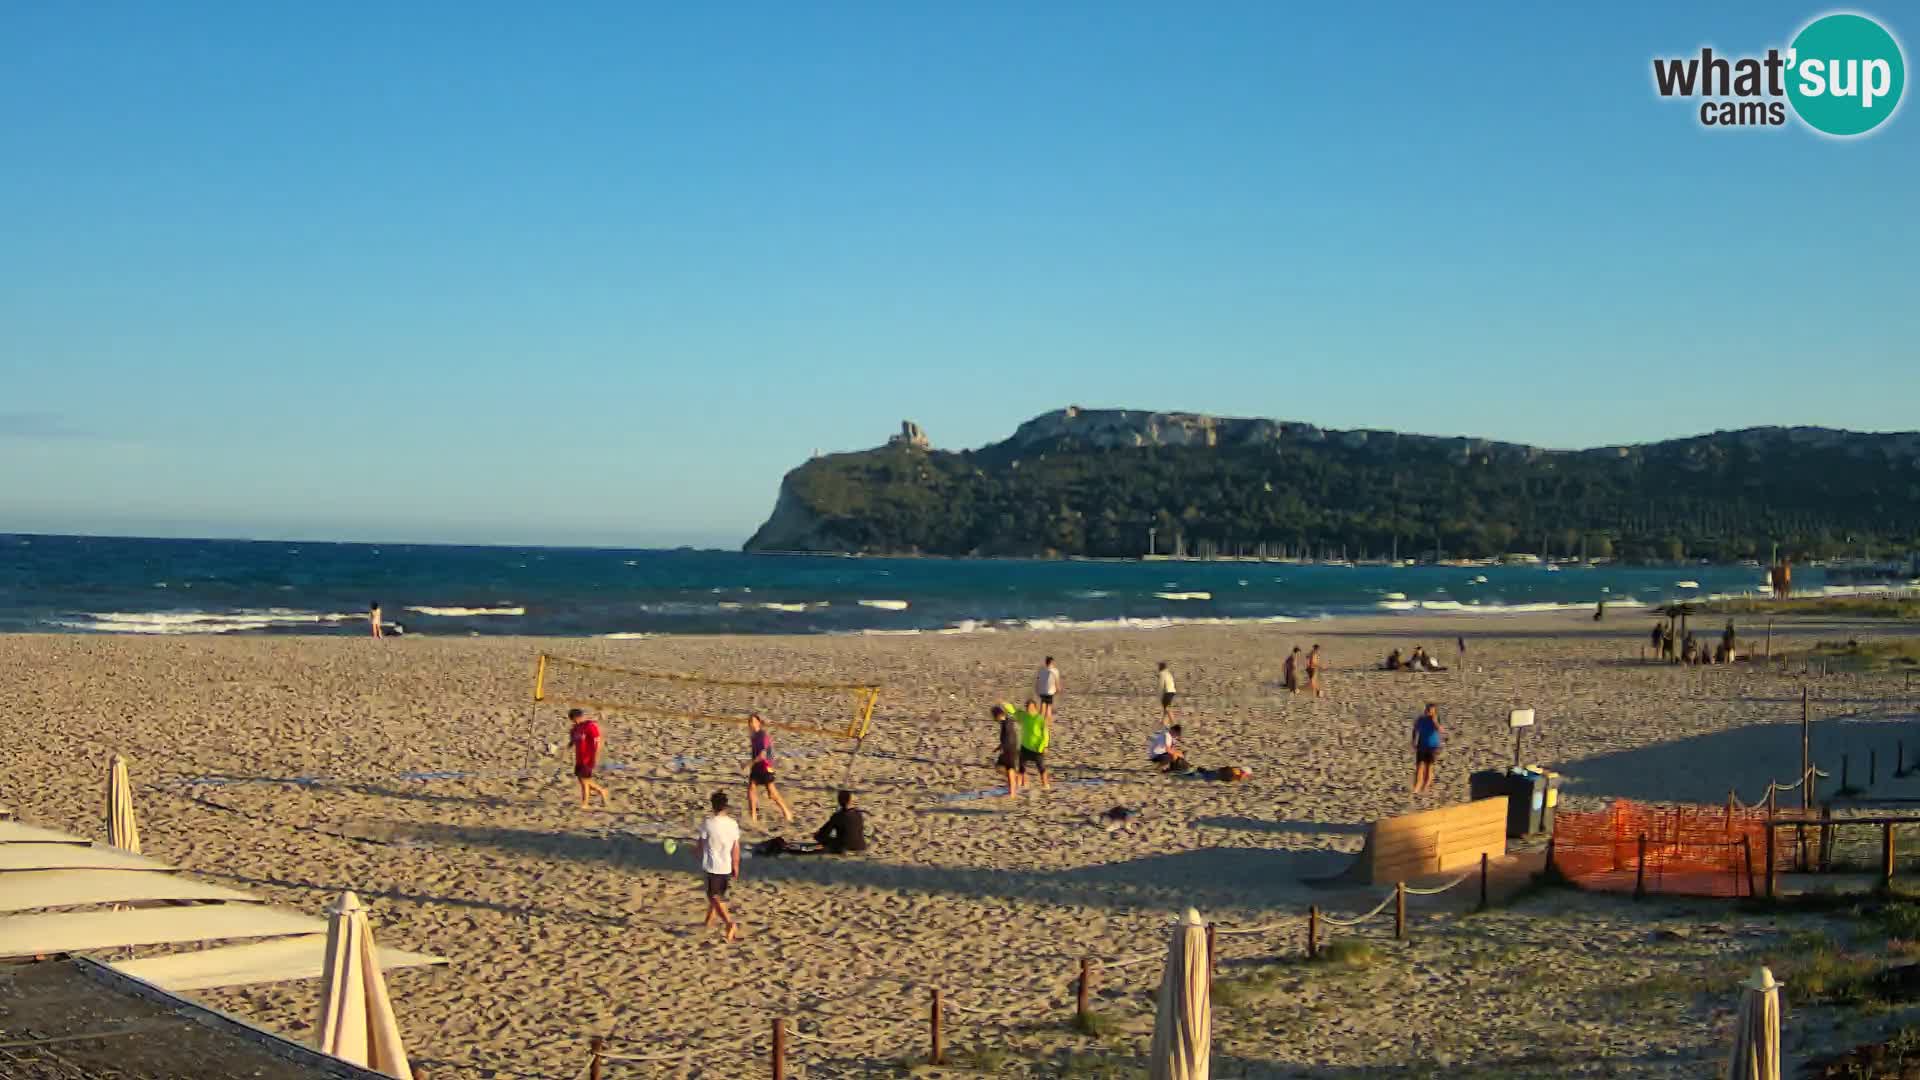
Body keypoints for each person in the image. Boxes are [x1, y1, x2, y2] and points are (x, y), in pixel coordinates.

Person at [696, 791, 741, 941]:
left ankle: (729, 924)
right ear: (725, 806)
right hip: (726, 866)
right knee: (717, 897)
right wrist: (736, 865)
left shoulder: (708, 823)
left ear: (713, 806)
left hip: (712, 867)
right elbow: (736, 847)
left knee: (714, 897)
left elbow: (700, 845)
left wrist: (694, 852)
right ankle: (708, 922)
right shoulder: (732, 824)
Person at [745, 713, 794, 826]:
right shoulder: (754, 736)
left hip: (765, 765)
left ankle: (787, 812)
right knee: (751, 789)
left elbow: (763, 754)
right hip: (757, 766)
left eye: (753, 721)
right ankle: (753, 816)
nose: (751, 724)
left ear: (758, 722)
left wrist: (749, 763)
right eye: (750, 722)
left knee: (772, 793)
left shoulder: (762, 735)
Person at [567, 708, 609, 810]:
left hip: (588, 758)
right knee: (583, 781)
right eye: (573, 719)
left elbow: (597, 741)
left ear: (581, 717)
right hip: (579, 758)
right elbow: (573, 741)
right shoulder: (574, 729)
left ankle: (585, 804)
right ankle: (602, 791)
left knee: (585, 782)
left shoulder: (589, 726)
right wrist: (568, 746)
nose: (576, 721)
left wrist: (596, 755)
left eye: (577, 718)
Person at [813, 789, 867, 854]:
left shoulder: (838, 816)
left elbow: (824, 833)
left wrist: (817, 836)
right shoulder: (858, 814)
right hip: (860, 847)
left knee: (829, 840)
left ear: (838, 801)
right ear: (850, 800)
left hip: (844, 848)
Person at [1017, 697, 1051, 790]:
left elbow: (1046, 734)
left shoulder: (1040, 719)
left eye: (1031, 708)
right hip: (1025, 747)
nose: (1029, 709)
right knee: (1021, 767)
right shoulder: (1024, 716)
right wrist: (1004, 704)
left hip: (1037, 748)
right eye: (1027, 708)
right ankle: (1021, 785)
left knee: (1041, 768)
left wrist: (1045, 746)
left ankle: (1046, 785)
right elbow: (1014, 712)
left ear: (1035, 708)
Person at [1411, 703, 1443, 793]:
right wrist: (1413, 741)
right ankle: (1417, 785)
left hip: (1432, 746)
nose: (1428, 712)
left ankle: (1426, 785)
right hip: (1421, 745)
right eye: (1427, 710)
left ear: (1434, 712)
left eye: (1431, 710)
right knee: (1419, 766)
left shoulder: (1436, 720)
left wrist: (1435, 721)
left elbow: (1440, 730)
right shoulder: (1421, 719)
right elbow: (1415, 729)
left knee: (1429, 767)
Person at [993, 703, 1023, 796]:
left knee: (1009, 771)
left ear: (998, 715)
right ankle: (1016, 779)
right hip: (1008, 748)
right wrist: (1000, 747)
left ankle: (1013, 793)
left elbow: (1010, 737)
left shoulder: (1007, 722)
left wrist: (1004, 747)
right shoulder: (1004, 722)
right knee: (1000, 768)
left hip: (1010, 749)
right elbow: (1006, 737)